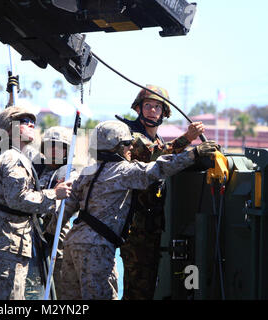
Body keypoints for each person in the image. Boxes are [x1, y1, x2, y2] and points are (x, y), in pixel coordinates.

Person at [58, 120, 218, 300]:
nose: (130, 148)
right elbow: (159, 168)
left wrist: (48, 234)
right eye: (127, 144)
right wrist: (194, 154)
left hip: (72, 242)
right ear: (116, 147)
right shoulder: (124, 171)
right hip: (97, 247)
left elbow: (67, 206)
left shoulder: (88, 171)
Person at [0, 106, 72, 300]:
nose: (31, 124)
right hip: (9, 242)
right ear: (9, 129)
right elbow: (19, 199)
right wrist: (54, 194)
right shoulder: (14, 159)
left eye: (31, 121)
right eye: (24, 122)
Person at [118, 85, 205, 300]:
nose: (152, 110)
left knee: (149, 285)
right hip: (135, 226)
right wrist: (188, 139)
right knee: (137, 288)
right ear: (138, 109)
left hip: (152, 225)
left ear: (164, 113)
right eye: (148, 105)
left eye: (158, 107)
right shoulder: (131, 137)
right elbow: (153, 156)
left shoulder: (159, 140)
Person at [33, 126, 79, 298]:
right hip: (33, 234)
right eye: (51, 145)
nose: (55, 150)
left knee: (59, 285)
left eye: (60, 146)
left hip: (56, 235)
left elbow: (62, 208)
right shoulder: (35, 169)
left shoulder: (69, 174)